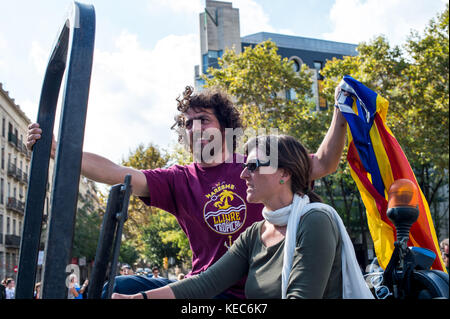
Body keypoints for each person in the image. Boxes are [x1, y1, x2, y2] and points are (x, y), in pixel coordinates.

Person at [27, 85, 348, 298]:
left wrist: (340, 111)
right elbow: (117, 173)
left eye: (203, 120)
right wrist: (58, 150)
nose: (194, 128)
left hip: (254, 291)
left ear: (225, 127)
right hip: (201, 286)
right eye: (188, 122)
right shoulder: (178, 179)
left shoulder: (257, 164)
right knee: (114, 287)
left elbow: (322, 162)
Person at [111, 135, 373, 299]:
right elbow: (207, 282)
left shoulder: (315, 220)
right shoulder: (255, 232)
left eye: (252, 166)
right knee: (119, 285)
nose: (243, 175)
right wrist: (141, 298)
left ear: (284, 174)